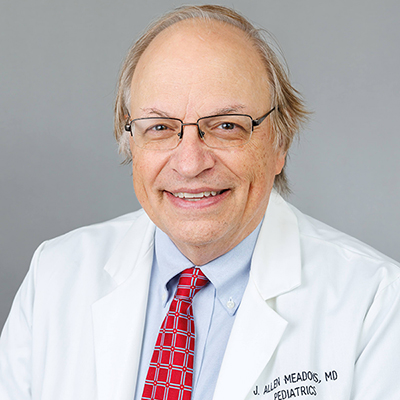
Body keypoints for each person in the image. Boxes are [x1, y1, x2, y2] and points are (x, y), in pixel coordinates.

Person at [1, 4, 399, 400]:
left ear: (280, 144)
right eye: (160, 127)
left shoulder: (376, 303)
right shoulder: (54, 276)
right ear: (131, 142)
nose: (190, 164)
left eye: (226, 126)